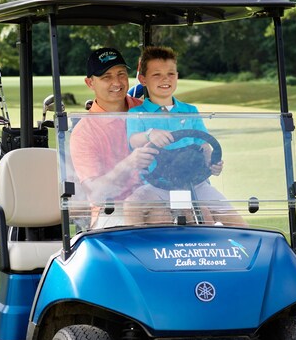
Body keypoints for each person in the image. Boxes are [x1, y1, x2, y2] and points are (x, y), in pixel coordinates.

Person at [124, 46, 245, 226]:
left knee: (235, 221)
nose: (165, 79)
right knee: (132, 204)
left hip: (195, 183)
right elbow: (134, 140)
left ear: (177, 76)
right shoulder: (137, 114)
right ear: (143, 79)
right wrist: (150, 135)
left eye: (171, 74)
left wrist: (212, 163)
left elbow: (204, 144)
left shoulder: (189, 111)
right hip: (158, 184)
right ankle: (130, 249)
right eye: (157, 75)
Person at [68, 47, 158, 228]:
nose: (117, 82)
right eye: (106, 77)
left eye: (121, 74)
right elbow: (97, 194)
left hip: (159, 200)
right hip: (111, 210)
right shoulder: (84, 132)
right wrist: (129, 163)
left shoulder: (148, 111)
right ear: (90, 83)